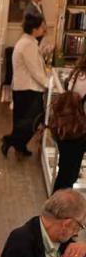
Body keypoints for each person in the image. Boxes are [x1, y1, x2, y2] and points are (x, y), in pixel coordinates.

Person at [1, 15, 48, 158]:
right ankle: (10, 141)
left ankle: (19, 146)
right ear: (35, 29)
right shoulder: (28, 45)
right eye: (42, 26)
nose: (44, 29)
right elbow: (35, 70)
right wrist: (48, 85)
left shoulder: (27, 41)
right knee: (33, 120)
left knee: (22, 120)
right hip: (29, 88)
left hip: (23, 88)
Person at [51, 54, 86, 191]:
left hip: (67, 128)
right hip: (78, 133)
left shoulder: (78, 73)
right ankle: (57, 209)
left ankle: (57, 207)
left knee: (65, 174)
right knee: (67, 177)